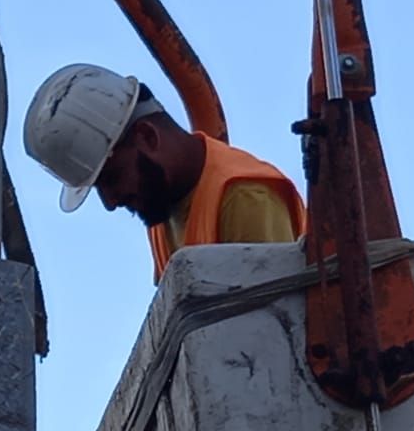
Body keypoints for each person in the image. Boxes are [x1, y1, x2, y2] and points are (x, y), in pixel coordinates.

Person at [23, 63, 307, 281]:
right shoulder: (161, 207)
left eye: (111, 178)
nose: (110, 202)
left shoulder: (245, 198)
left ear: (147, 137)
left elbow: (269, 339)